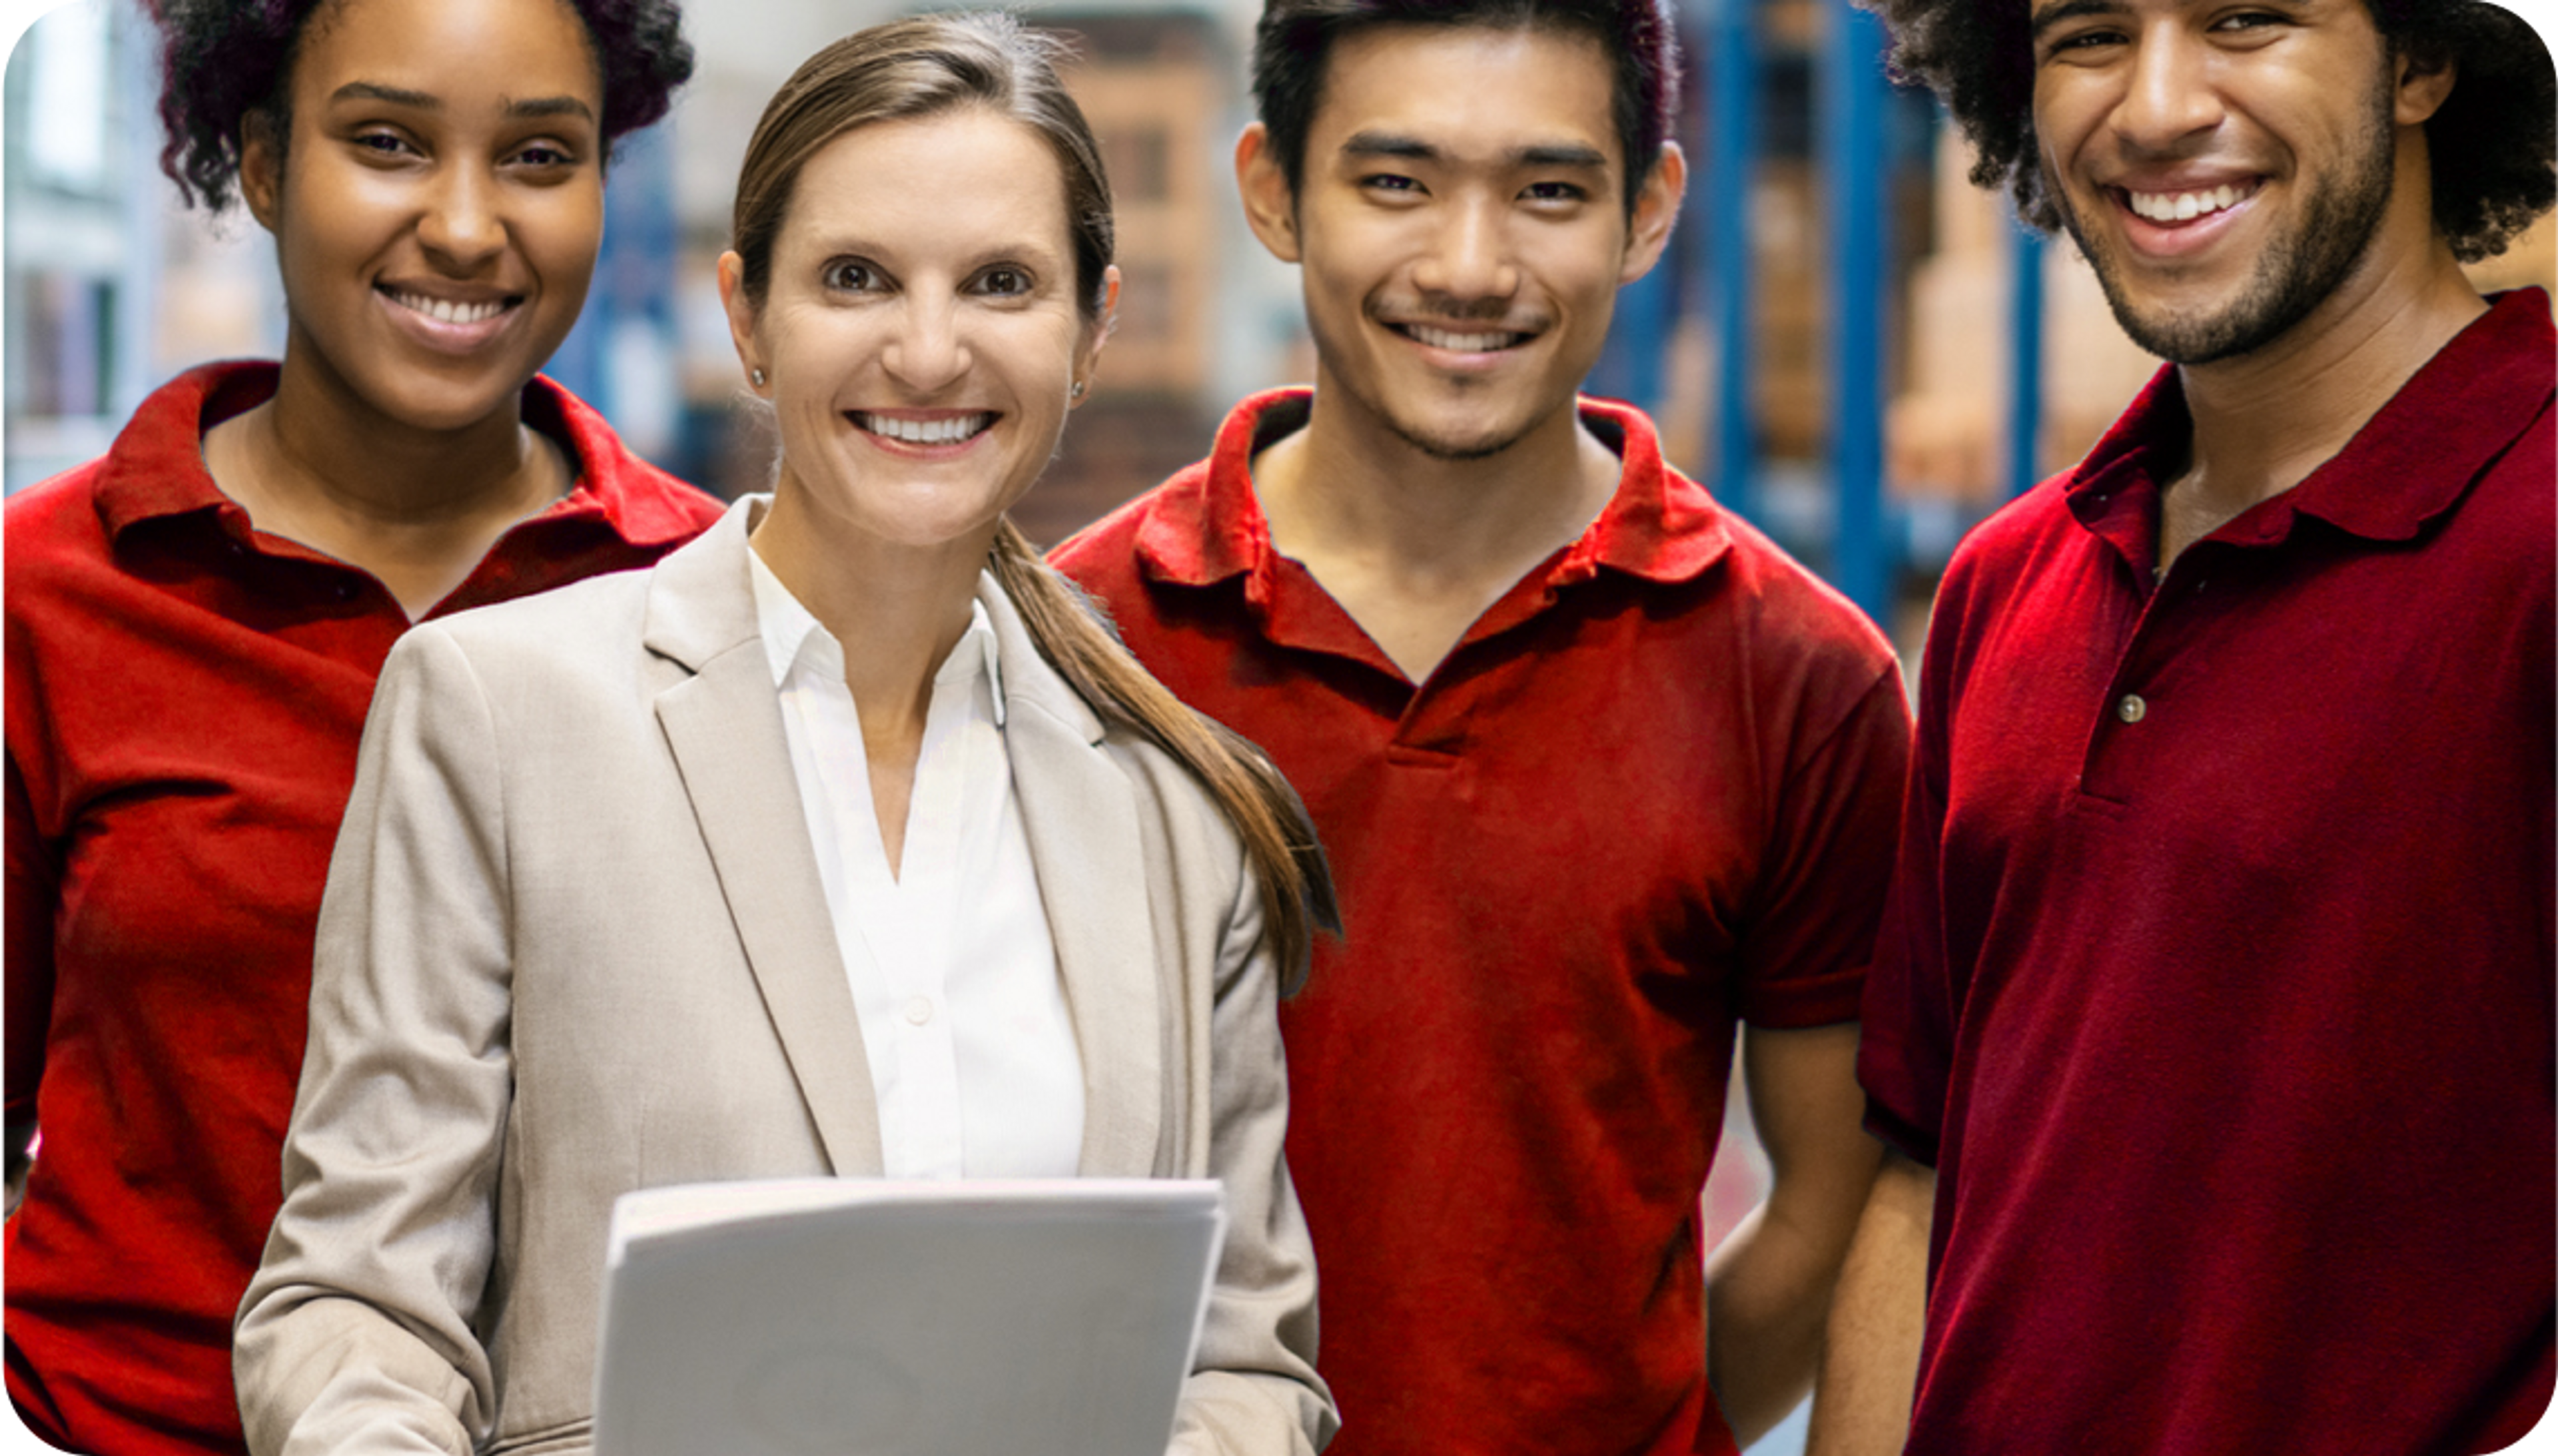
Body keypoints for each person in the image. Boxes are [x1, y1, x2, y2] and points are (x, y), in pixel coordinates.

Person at [232, 15, 1339, 1456]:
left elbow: (1248, 1363)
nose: (929, 350)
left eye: (1001, 283)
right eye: (856, 279)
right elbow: (356, 1310)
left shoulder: (1176, 814)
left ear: (1092, 326)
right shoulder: (497, 716)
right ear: (748, 319)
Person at [1052, 2, 1913, 1450]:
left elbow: (1832, 1207)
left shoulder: (1798, 677)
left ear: (1649, 212)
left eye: (1548, 191)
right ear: (1272, 190)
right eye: (1396, 182)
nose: (1469, 265)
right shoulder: (1084, 649)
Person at [1811, 3, 2558, 1453]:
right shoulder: (2004, 583)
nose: (2154, 108)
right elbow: (1919, 1178)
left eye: (2246, 18)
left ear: (2421, 57)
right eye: (2089, 31)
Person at [0, 0, 717, 1450]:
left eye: (538, 155)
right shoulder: (48, 595)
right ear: (260, 162)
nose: (464, 226)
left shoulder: (707, 603)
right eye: (386, 143)